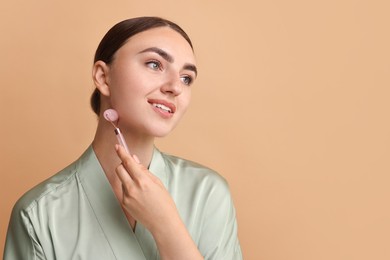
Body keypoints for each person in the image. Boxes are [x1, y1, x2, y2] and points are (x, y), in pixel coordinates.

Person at [4, 17, 242, 260]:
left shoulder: (208, 193)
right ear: (103, 77)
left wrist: (166, 226)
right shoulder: (38, 214)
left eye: (186, 78)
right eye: (154, 64)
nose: (175, 87)